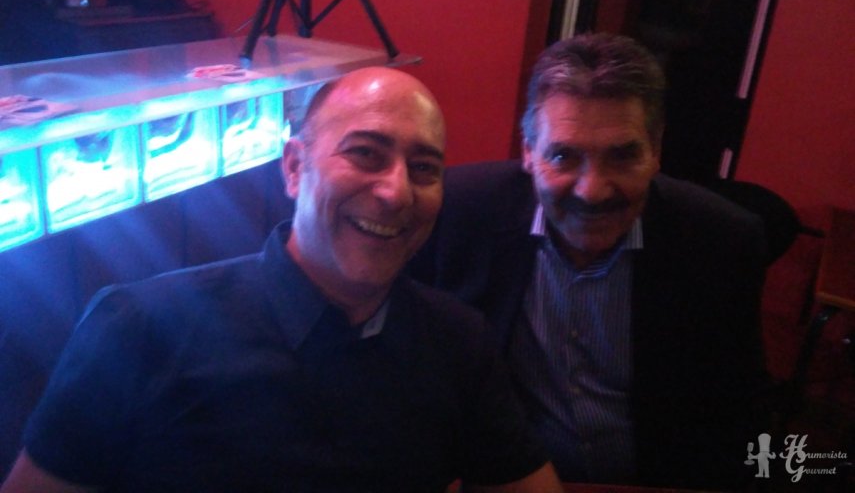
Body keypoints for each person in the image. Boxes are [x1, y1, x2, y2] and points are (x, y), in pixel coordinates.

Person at [0, 67, 561, 493]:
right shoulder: (139, 328)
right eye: (365, 154)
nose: (396, 192)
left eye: (424, 169)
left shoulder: (459, 343)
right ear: (294, 168)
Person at [409, 33, 769, 489]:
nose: (592, 190)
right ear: (528, 152)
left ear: (656, 151)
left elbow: (742, 414)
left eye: (623, 156)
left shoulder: (721, 243)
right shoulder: (454, 213)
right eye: (564, 156)